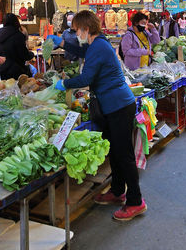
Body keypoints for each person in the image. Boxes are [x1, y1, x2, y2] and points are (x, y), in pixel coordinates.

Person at [47, 11, 146, 221]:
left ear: (86, 29)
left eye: (76, 31)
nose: (75, 35)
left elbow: (87, 77)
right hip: (112, 106)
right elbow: (80, 50)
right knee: (115, 152)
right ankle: (118, 190)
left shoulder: (99, 46)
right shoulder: (95, 44)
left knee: (124, 154)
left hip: (118, 105)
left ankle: (136, 201)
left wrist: (64, 83)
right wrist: (62, 43)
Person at [0, 13, 34, 80]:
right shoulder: (18, 35)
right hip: (16, 71)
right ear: (16, 22)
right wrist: (31, 54)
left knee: (6, 89)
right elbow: (24, 55)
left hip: (3, 70)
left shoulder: (0, 34)